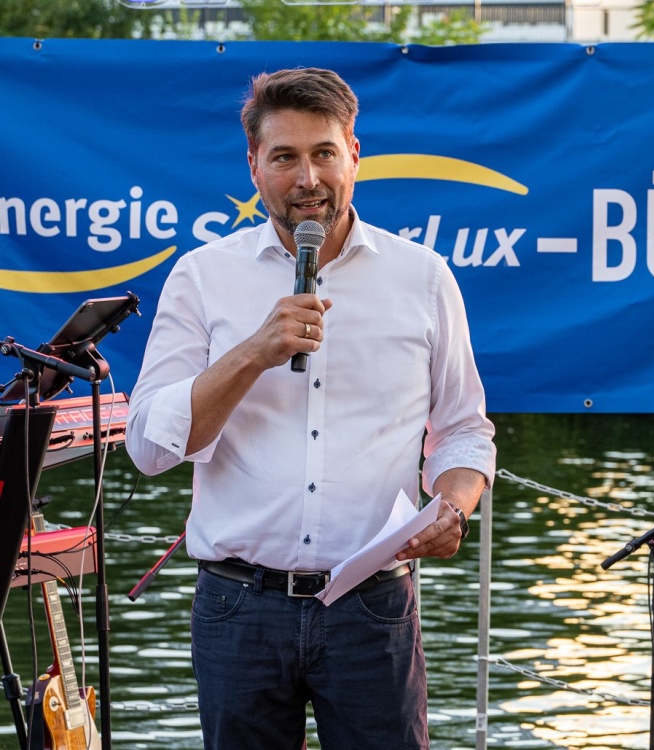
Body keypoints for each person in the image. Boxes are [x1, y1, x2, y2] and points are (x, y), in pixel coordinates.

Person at [125, 67, 496, 750]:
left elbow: (464, 430)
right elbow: (149, 448)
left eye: (324, 153)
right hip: (238, 608)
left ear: (354, 153)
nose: (307, 178)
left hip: (373, 607)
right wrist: (252, 354)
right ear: (253, 165)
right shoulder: (202, 276)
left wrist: (454, 504)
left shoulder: (422, 277)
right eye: (284, 157)